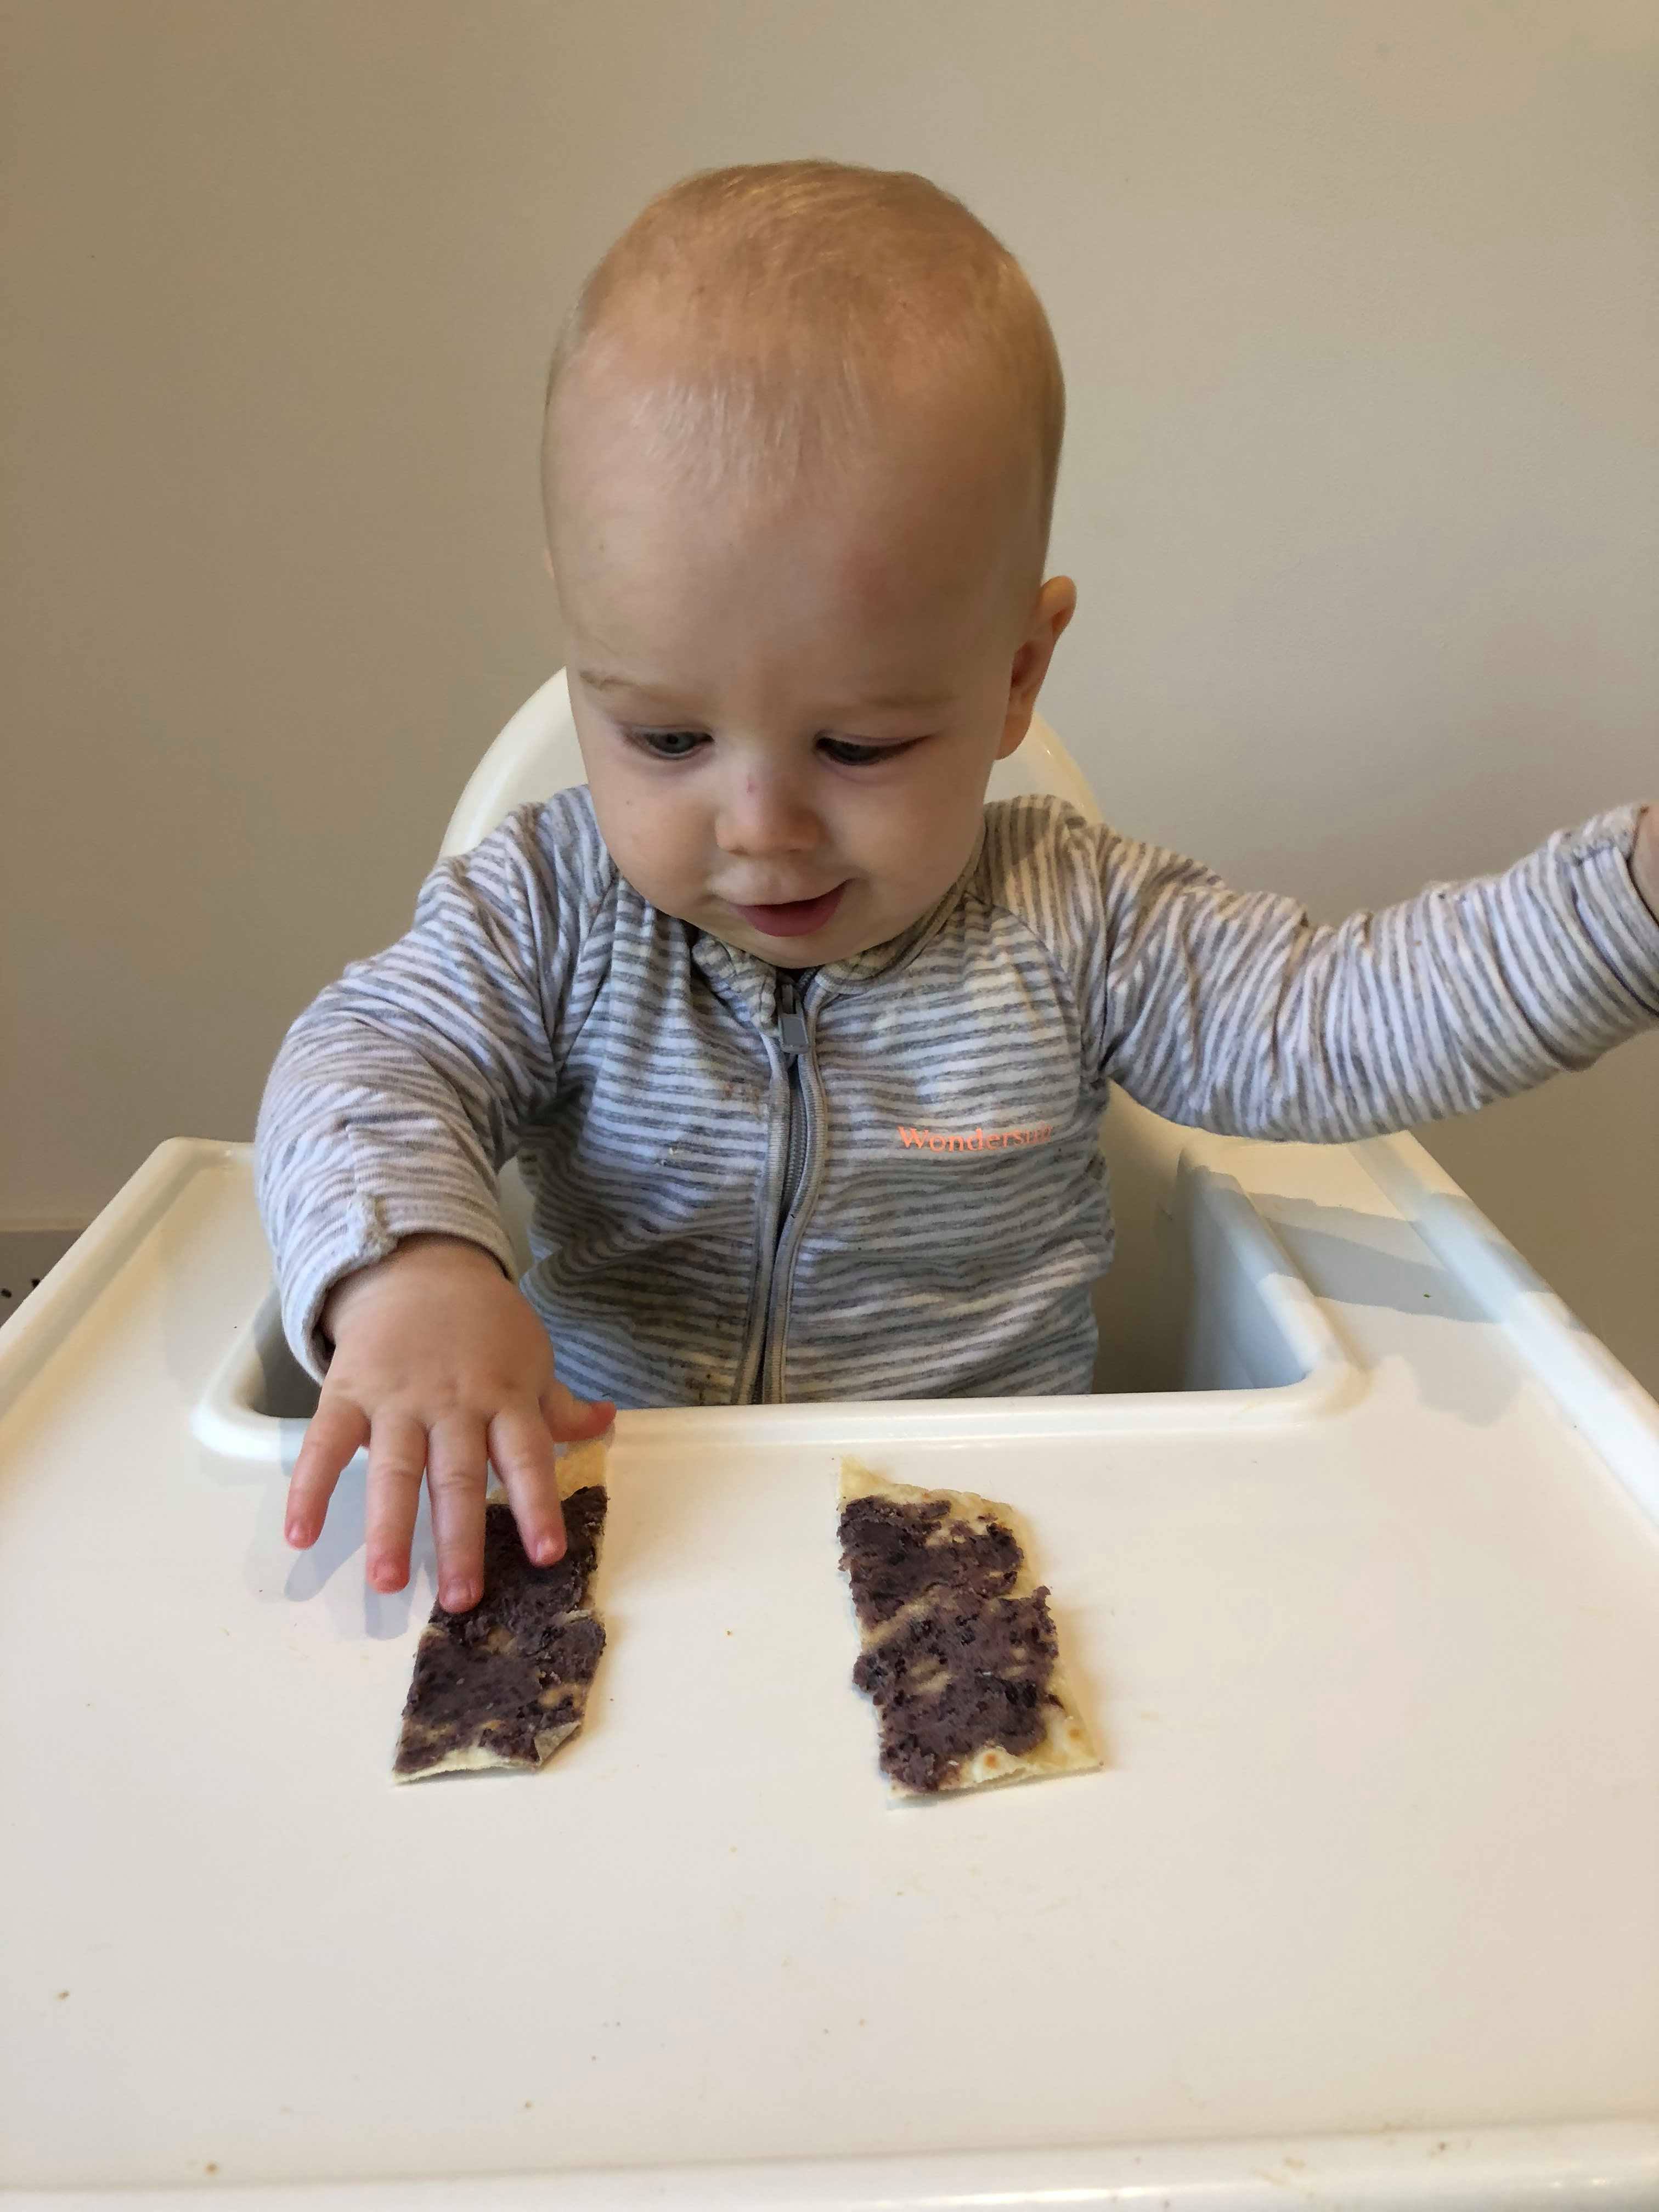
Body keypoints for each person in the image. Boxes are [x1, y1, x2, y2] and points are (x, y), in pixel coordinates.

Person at [256, 161, 1659, 1617]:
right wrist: (408, 1269)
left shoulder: (1072, 922)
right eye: (665, 736)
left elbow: (1346, 1019)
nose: (764, 827)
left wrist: (1633, 901)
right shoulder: (550, 913)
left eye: (857, 744)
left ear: (1015, 677)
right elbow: (366, 1060)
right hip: (611, 1529)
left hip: (984, 1544)